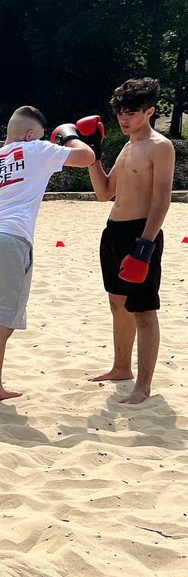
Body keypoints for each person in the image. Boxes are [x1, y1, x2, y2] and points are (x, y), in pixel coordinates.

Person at [0, 105, 95, 420]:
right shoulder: (36, 149)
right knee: (3, 321)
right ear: (31, 135)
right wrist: (69, 135)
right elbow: (87, 158)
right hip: (10, 240)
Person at [85, 77, 175, 404]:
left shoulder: (160, 146)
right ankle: (122, 368)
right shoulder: (126, 146)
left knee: (144, 311)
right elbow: (104, 193)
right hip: (113, 231)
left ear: (149, 111)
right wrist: (93, 156)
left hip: (141, 233)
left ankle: (144, 386)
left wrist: (145, 246)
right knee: (117, 303)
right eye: (121, 112)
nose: (124, 118)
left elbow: (162, 199)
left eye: (132, 113)